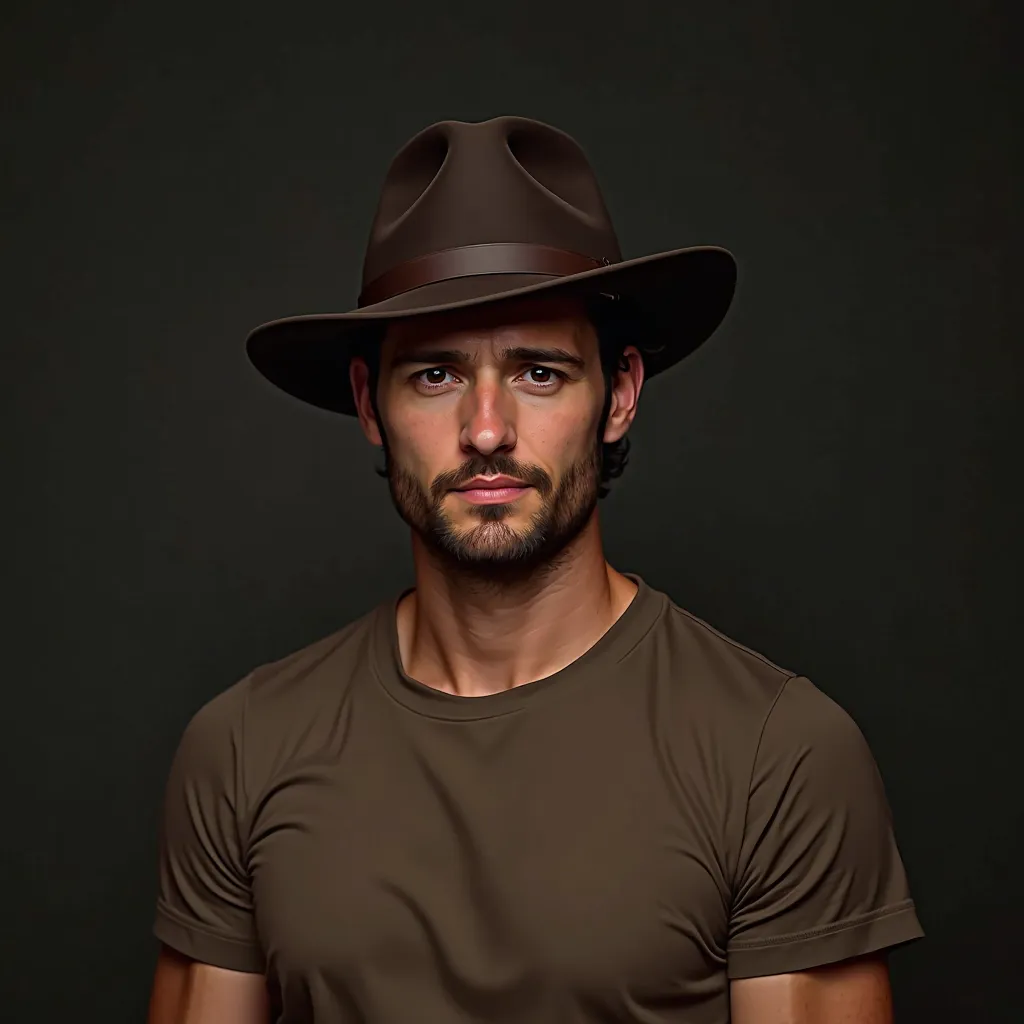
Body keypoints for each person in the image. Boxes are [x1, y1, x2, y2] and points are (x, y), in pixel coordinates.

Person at [147, 116, 923, 1024]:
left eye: (540, 373)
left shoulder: (776, 755)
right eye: (435, 375)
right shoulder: (242, 748)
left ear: (620, 394)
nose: (486, 430)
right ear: (369, 402)